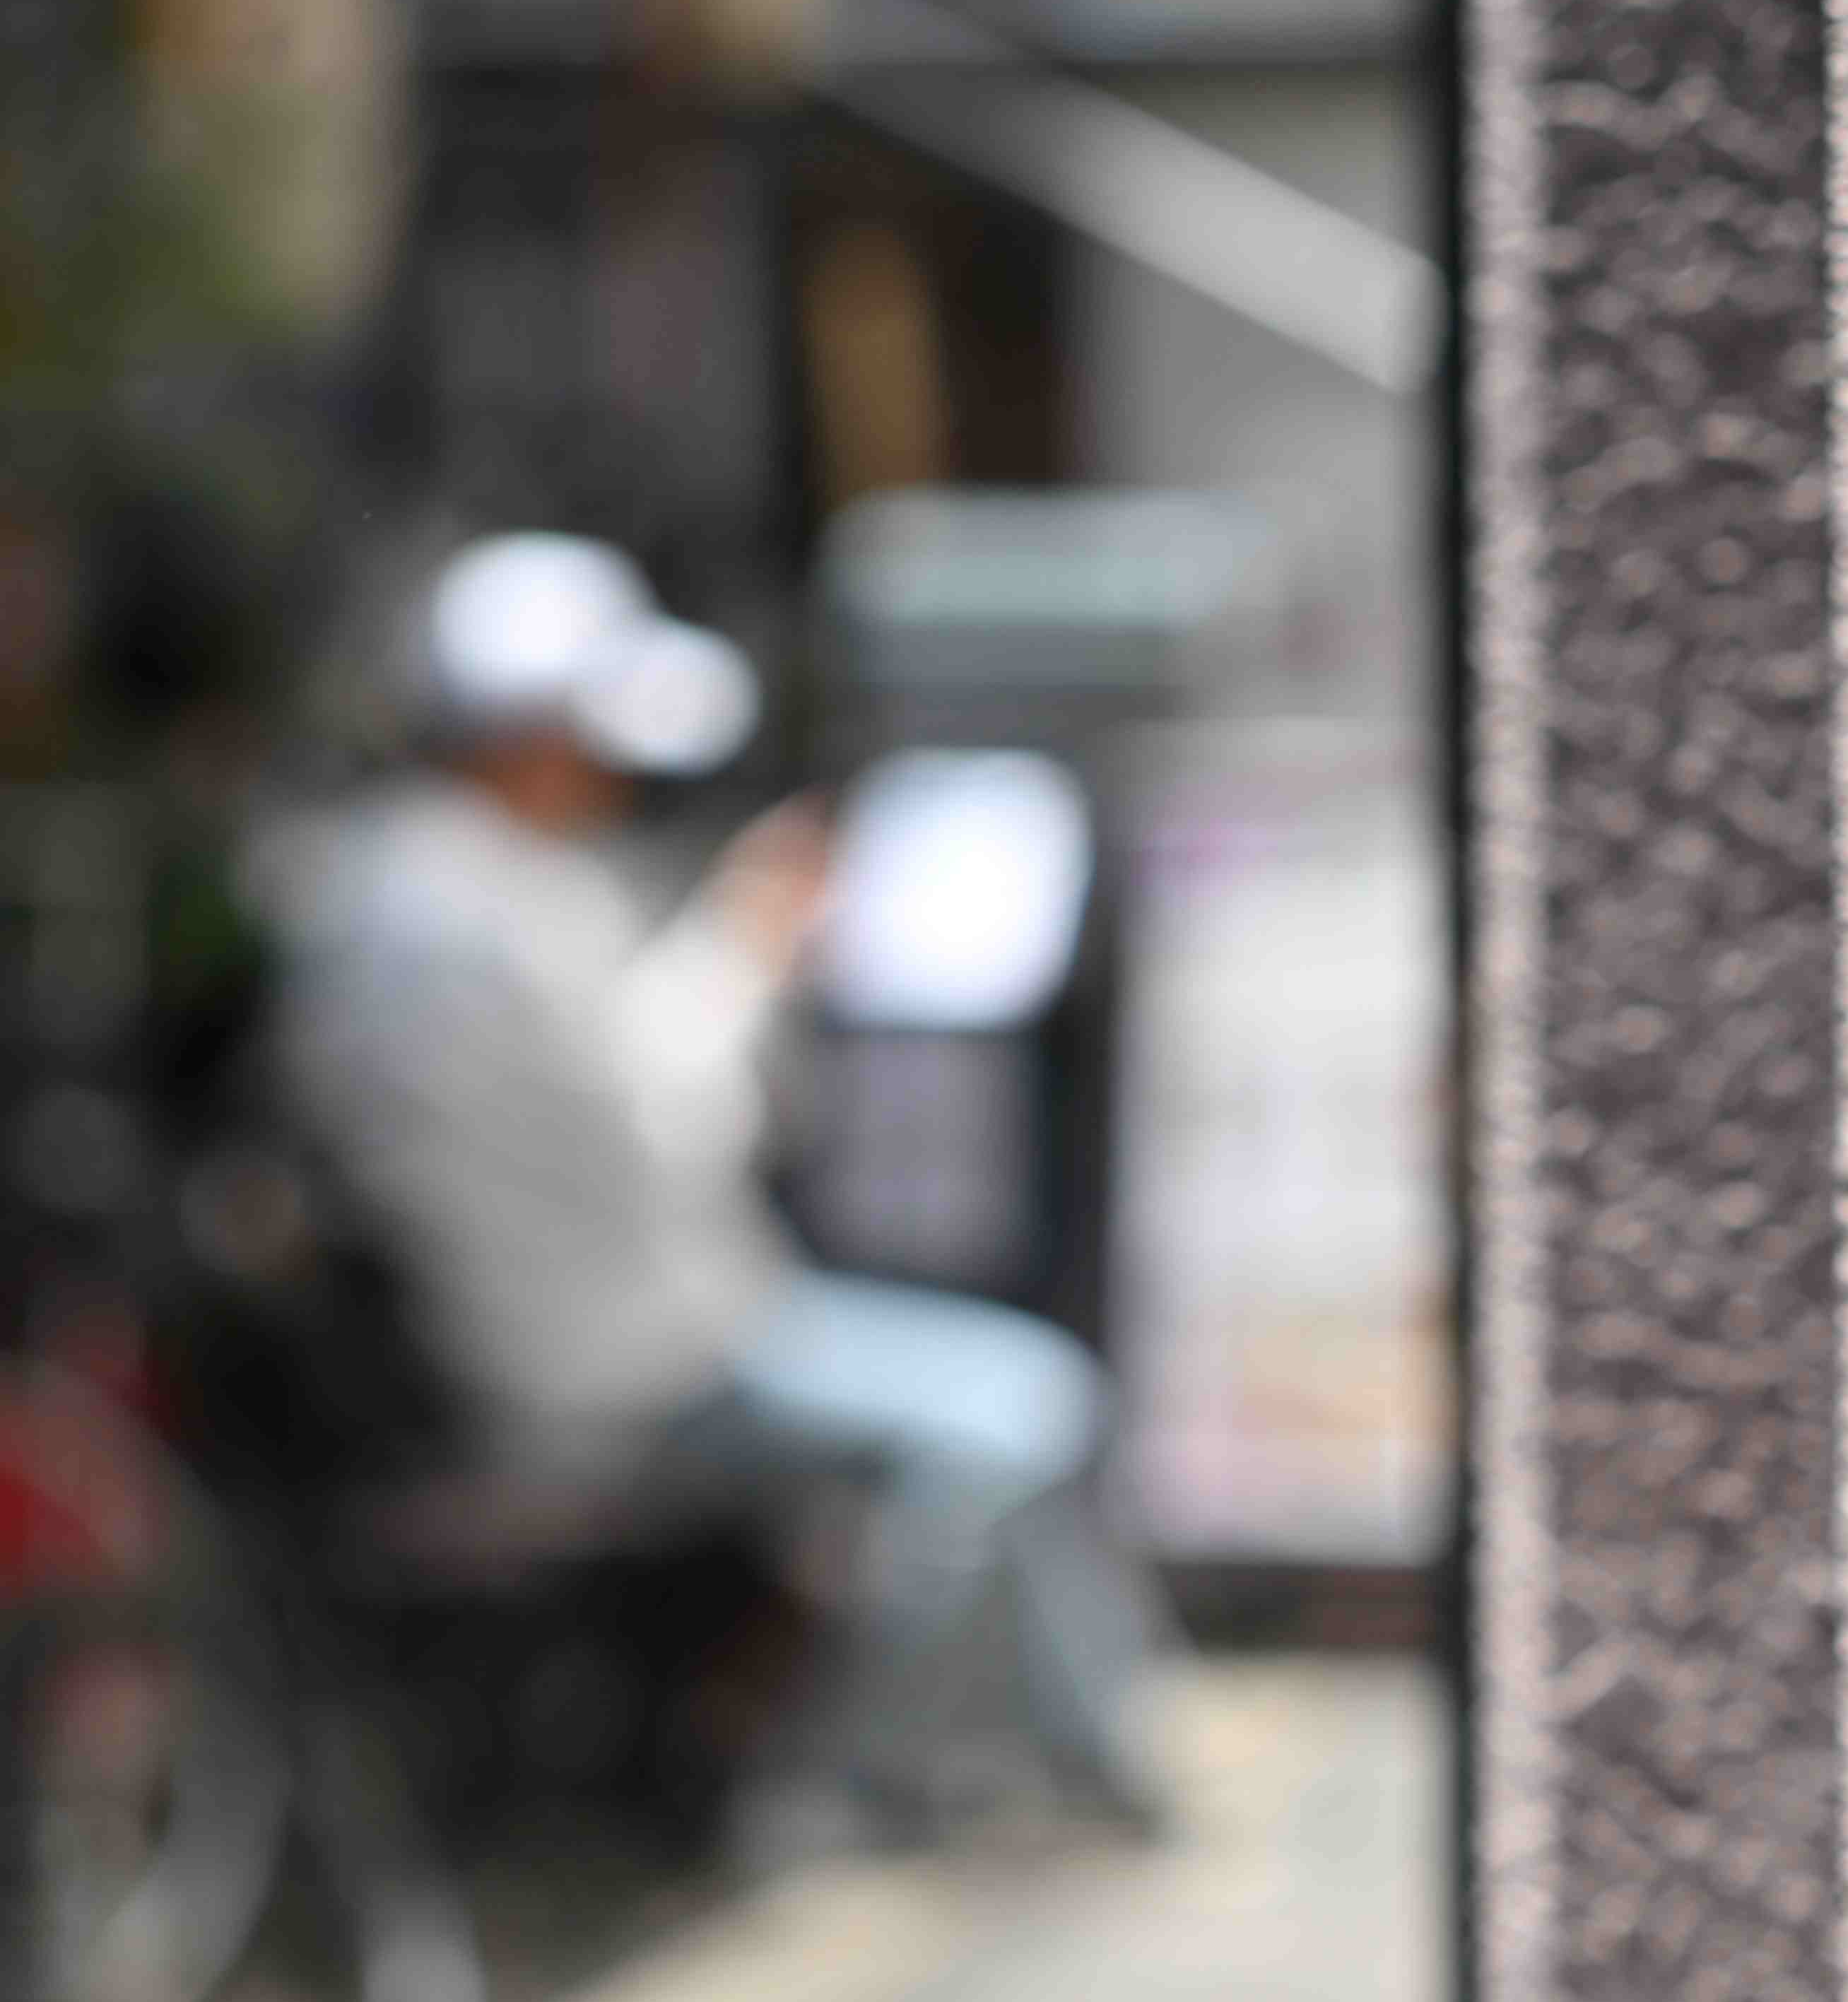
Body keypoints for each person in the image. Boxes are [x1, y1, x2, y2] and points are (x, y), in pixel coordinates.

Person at [254, 532, 1168, 1842]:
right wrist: (750, 941)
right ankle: (838, 1769)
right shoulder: (486, 916)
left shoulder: (381, 889)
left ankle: (1090, 1752)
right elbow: (665, 1132)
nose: (618, 776)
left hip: (553, 1340)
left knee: (1000, 1418)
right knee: (1023, 1412)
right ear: (529, 736)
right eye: (595, 742)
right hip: (626, 1362)